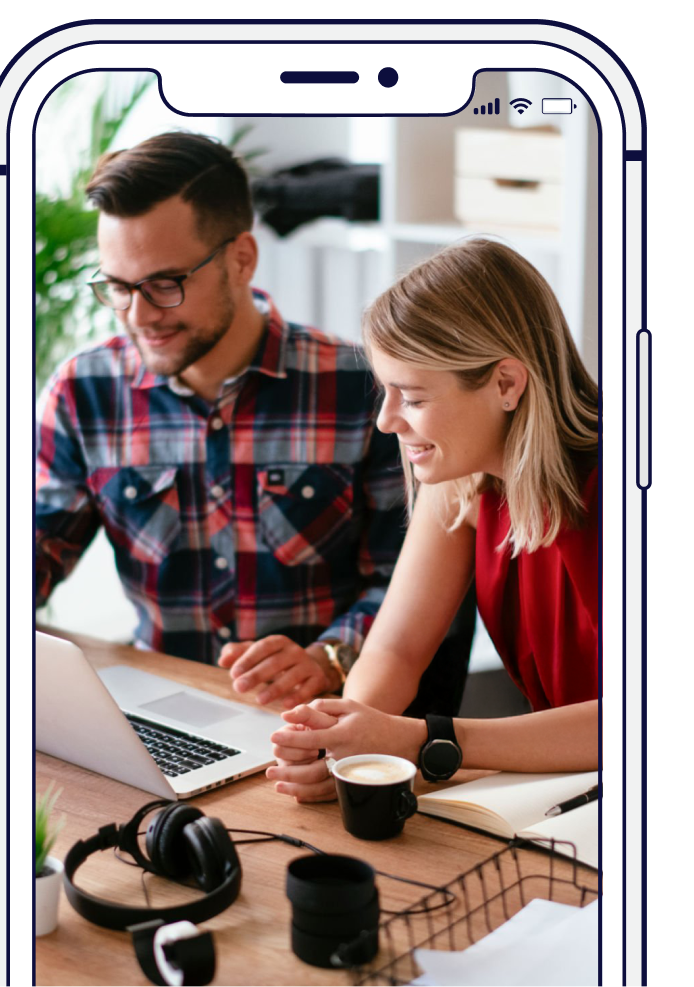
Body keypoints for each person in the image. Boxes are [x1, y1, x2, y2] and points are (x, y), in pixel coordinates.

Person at [35, 130, 475, 709]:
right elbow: (34, 552)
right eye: (117, 287)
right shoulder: (83, 391)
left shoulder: (365, 388)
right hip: (160, 707)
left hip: (323, 715)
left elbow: (418, 583)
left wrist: (329, 656)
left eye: (165, 284)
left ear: (241, 258)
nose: (138, 315)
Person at [268, 238, 599, 798]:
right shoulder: (461, 480)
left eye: (413, 398)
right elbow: (395, 650)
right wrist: (338, 741)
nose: (385, 421)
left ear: (506, 384)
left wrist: (426, 740)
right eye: (385, 391)